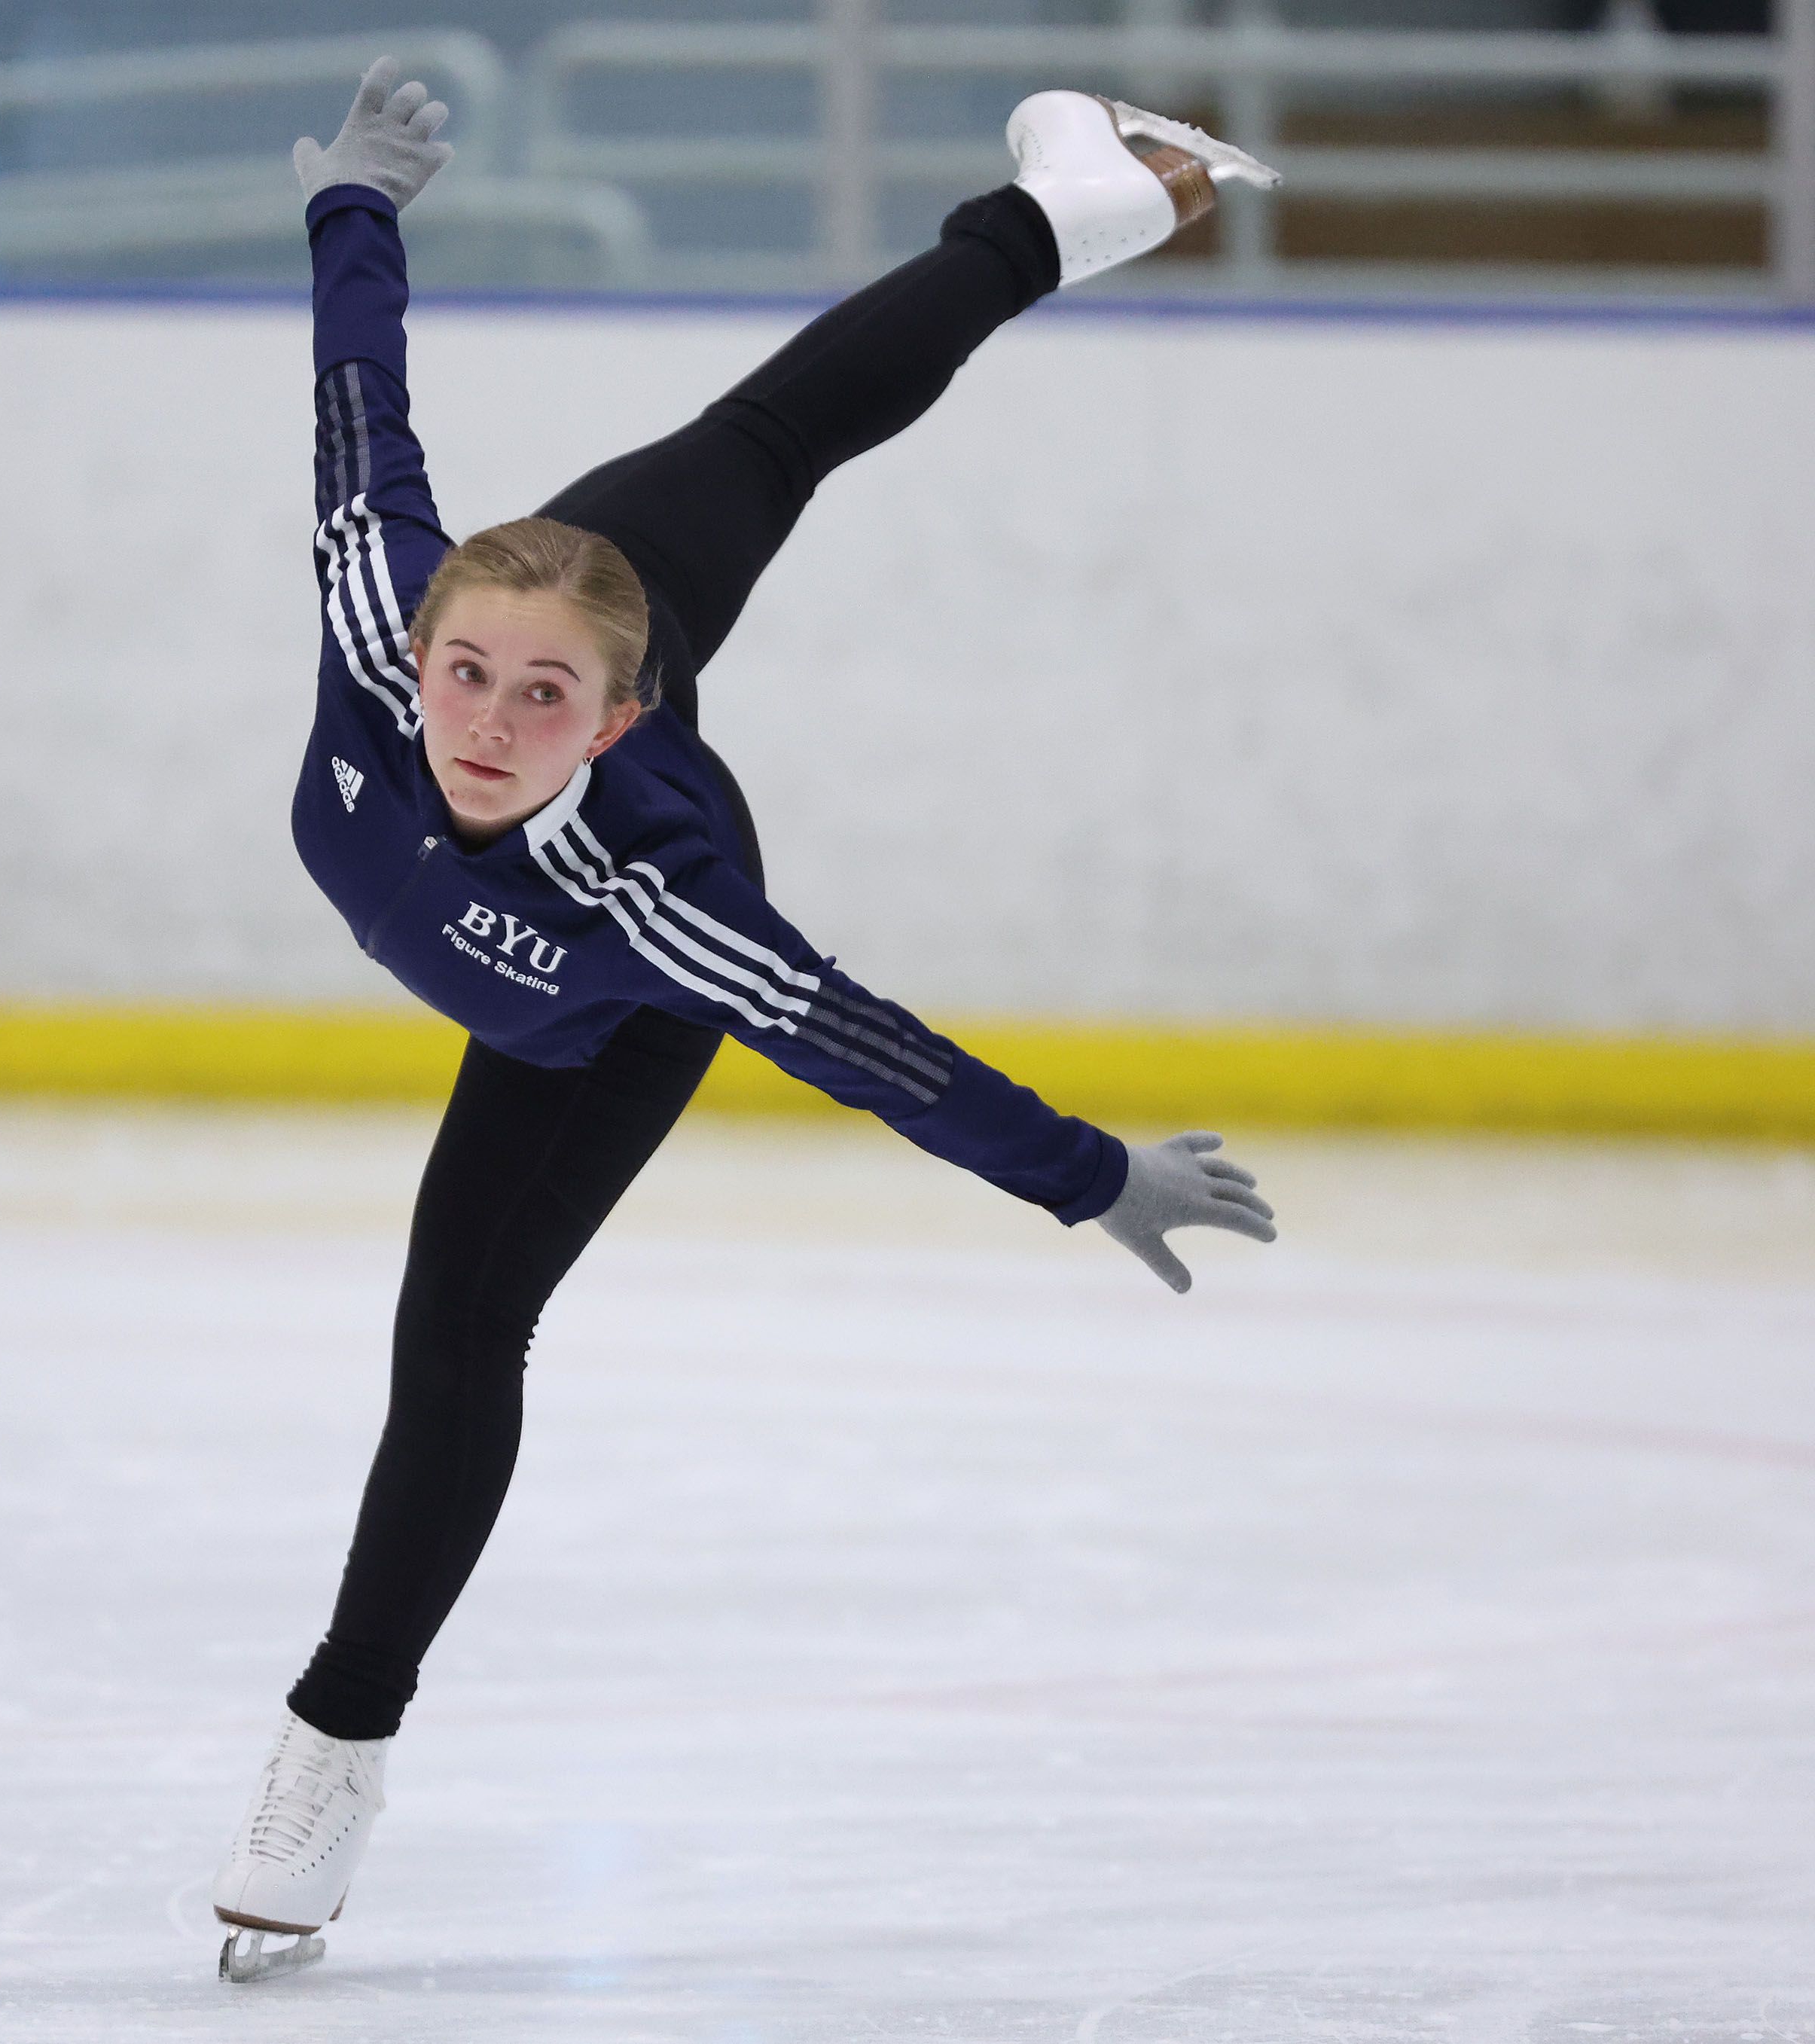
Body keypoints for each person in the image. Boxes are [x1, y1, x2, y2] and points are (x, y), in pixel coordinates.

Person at [211, 63, 1282, 1982]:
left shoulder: (666, 903)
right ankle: (1063, 204)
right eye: (468, 671)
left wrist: (1086, 1173)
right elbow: (359, 408)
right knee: (768, 438)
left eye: (542, 695)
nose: (480, 716)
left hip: (581, 1031)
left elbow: (870, 1045)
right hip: (586, 599)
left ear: (619, 718)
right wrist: (351, 203)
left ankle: (335, 1743)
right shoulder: (400, 620)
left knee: (459, 1329)